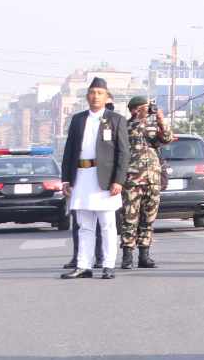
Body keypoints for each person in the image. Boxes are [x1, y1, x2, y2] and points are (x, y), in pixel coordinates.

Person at [59, 82, 129, 279]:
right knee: (84, 225)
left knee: (107, 225)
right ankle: (84, 265)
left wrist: (119, 180)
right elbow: (69, 151)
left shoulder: (116, 120)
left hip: (105, 179)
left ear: (107, 97)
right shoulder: (78, 120)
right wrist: (66, 179)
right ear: (87, 96)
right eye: (92, 93)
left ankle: (108, 265)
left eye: (100, 93)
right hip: (81, 176)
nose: (95, 96)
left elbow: (123, 153)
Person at [119, 96, 173, 270]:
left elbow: (166, 138)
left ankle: (144, 254)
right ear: (135, 109)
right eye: (145, 107)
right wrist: (142, 118)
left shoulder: (153, 126)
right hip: (133, 179)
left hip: (153, 178)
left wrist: (160, 120)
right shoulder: (126, 126)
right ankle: (127, 254)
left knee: (148, 218)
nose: (149, 110)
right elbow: (135, 131)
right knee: (129, 218)